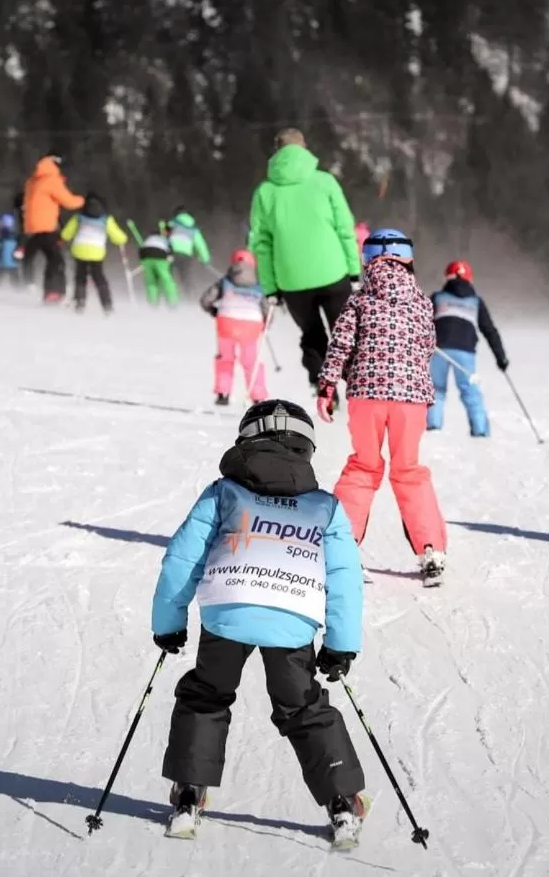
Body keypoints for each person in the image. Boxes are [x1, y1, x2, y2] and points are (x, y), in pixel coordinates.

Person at [151, 400, 369, 847]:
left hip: (227, 612)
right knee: (303, 706)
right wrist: (340, 643)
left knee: (207, 696)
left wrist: (169, 622)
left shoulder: (223, 492)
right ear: (305, 449)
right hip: (291, 620)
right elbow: (345, 579)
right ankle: (342, 800)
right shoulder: (324, 506)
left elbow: (182, 558)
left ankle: (189, 793)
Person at [316, 228, 447, 585]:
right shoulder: (422, 301)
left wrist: (328, 385)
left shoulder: (359, 300)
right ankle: (431, 549)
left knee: (363, 467)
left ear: (368, 260)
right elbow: (427, 346)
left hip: (367, 394)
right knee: (409, 469)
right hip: (411, 399)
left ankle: (342, 549)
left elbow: (340, 344)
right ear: (408, 259)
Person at [249, 128, 361, 391]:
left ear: (276, 150)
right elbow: (345, 228)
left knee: (312, 335)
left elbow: (261, 244)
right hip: (333, 272)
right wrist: (355, 271)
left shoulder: (265, 192)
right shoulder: (325, 182)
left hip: (292, 280)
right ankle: (357, 385)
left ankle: (322, 386)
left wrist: (270, 287)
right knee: (345, 332)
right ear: (304, 147)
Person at [427, 260, 509, 437]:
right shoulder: (476, 302)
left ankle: (433, 426)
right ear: (469, 279)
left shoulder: (437, 297)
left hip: (438, 350)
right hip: (465, 352)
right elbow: (489, 330)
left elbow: (420, 322)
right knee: (470, 391)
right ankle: (480, 431)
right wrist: (501, 357)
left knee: (435, 389)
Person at [199, 250, 270, 406]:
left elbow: (205, 299)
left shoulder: (225, 281)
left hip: (226, 322)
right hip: (251, 325)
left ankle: (223, 393)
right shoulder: (259, 283)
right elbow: (266, 308)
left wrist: (214, 311)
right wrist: (266, 324)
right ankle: (257, 396)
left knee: (225, 359)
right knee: (251, 361)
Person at [22, 152, 85, 303]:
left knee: (49, 258)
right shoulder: (51, 180)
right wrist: (84, 200)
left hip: (32, 227)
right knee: (56, 261)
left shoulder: (32, 180)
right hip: (47, 227)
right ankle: (54, 292)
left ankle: (46, 290)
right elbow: (68, 201)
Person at [59, 193, 128, 314]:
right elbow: (118, 237)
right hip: (96, 251)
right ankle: (107, 304)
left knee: (80, 277)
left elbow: (66, 234)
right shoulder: (106, 219)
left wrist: (62, 237)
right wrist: (123, 239)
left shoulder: (79, 217)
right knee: (99, 278)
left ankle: (79, 302)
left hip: (79, 249)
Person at [166, 207, 212, 298]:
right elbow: (200, 245)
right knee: (185, 279)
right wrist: (206, 260)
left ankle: (169, 299)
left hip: (171, 253)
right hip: (185, 256)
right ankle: (189, 298)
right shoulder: (193, 228)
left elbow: (163, 237)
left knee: (168, 277)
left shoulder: (171, 224)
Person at [138, 223, 179, 308]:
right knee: (166, 279)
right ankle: (172, 301)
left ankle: (153, 304)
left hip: (145, 254)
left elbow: (141, 249)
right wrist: (170, 258)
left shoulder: (149, 238)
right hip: (159, 254)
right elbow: (170, 251)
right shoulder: (166, 238)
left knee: (151, 281)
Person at [0, 209, 23, 289]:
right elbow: (19, 249)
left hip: (1, 262)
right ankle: (18, 289)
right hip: (13, 263)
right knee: (15, 277)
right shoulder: (16, 237)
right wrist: (19, 259)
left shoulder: (0, 237)